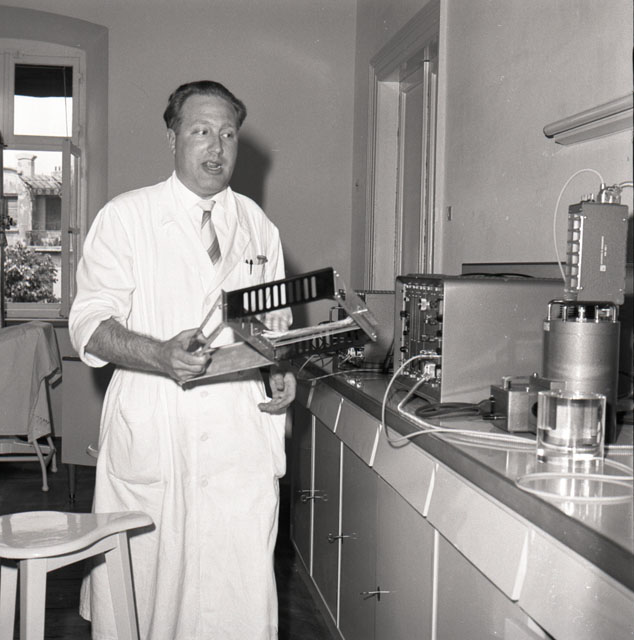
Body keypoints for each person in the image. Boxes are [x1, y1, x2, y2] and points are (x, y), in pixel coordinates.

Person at [69, 80, 296, 640]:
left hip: (238, 430)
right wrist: (158, 353)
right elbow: (89, 323)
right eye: (201, 131)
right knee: (148, 593)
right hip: (157, 421)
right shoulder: (126, 217)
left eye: (228, 134)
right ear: (173, 138)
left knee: (235, 597)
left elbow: (273, 326)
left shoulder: (257, 226)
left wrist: (278, 370)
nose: (216, 147)